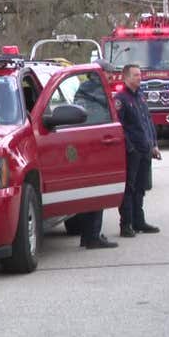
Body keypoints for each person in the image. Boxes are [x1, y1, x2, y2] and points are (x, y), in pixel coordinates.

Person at [67, 59, 119, 249]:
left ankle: (89, 235)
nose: (112, 76)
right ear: (100, 73)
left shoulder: (87, 90)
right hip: (94, 146)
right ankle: (92, 236)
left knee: (93, 193)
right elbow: (100, 116)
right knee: (98, 193)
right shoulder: (97, 91)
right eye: (109, 72)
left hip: (89, 144)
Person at [115, 64, 162, 237]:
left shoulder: (141, 96)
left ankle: (139, 221)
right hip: (132, 151)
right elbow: (119, 127)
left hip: (145, 149)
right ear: (126, 78)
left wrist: (154, 144)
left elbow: (147, 122)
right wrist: (130, 147)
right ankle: (126, 224)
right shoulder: (121, 99)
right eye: (135, 75)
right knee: (129, 188)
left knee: (141, 187)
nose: (139, 78)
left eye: (140, 75)